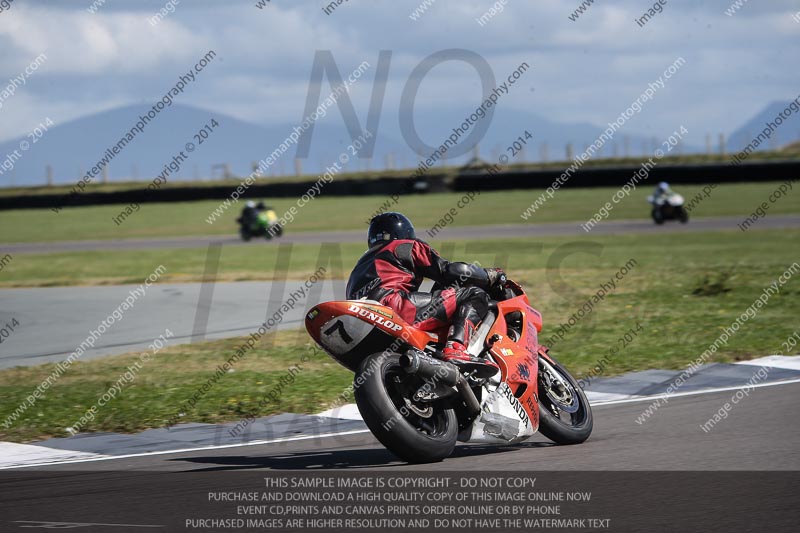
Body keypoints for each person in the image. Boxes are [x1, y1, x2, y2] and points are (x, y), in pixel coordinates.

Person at [346, 212, 504, 373]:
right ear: (406, 233)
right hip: (394, 308)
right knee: (474, 294)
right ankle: (456, 348)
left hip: (361, 324)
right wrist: (489, 276)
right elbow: (449, 271)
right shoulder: (405, 245)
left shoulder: (358, 267)